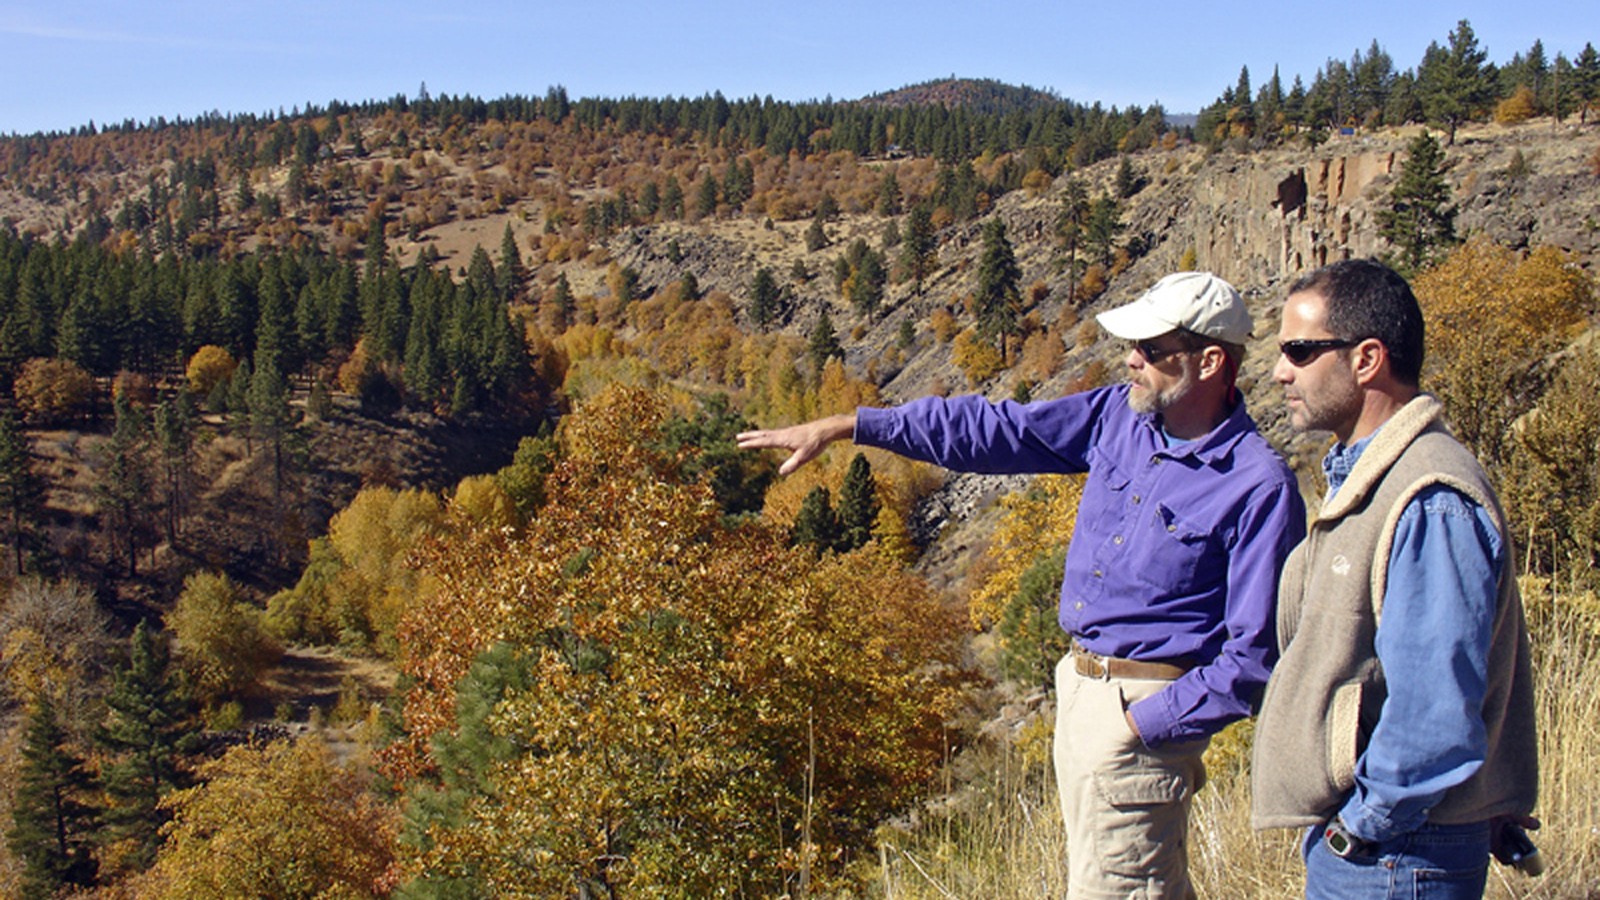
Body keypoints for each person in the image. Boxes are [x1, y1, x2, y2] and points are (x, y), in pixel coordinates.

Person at [738, 271, 1305, 898]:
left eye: (1150, 349)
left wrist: (1144, 725)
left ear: (1210, 361)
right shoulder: (1120, 416)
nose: (1131, 359)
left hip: (1142, 717)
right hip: (1082, 690)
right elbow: (995, 431)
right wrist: (851, 425)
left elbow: (1253, 660)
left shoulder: (1258, 486)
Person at [1251, 258, 1538, 898]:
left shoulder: (1429, 496)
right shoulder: (1381, 479)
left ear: (1367, 358)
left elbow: (1435, 711)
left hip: (1397, 854)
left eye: (1299, 351)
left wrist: (1364, 825)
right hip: (1390, 848)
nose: (1280, 372)